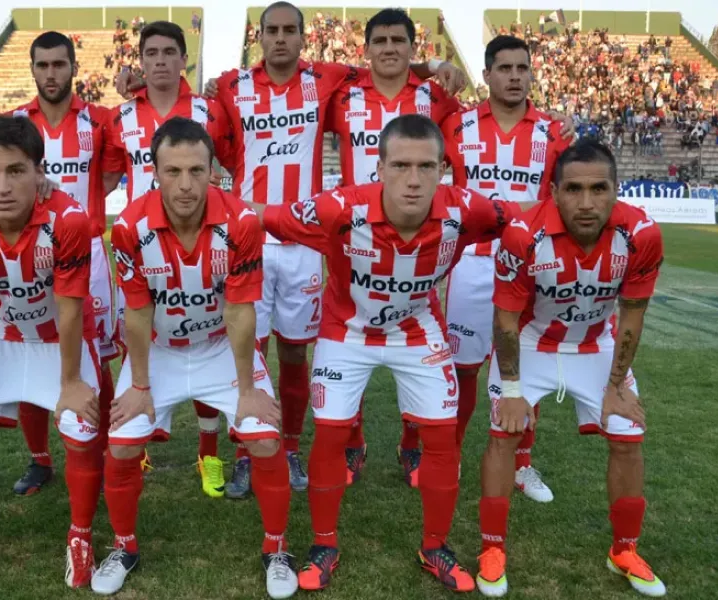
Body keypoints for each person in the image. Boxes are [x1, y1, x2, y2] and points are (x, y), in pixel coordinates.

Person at [254, 114, 526, 593]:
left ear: (445, 169)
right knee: (331, 436)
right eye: (400, 165)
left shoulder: (466, 210)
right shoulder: (337, 209)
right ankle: (324, 544)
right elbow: (256, 216)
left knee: (441, 440)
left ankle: (435, 546)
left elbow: (526, 216)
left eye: (427, 167)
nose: (414, 179)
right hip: (347, 331)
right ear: (378, 167)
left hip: (416, 330)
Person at [208, 1, 469, 498]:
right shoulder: (230, 86)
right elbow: (203, 122)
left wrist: (434, 66)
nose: (281, 38)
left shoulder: (331, 81)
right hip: (251, 237)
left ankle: (288, 446)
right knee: (247, 348)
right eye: (272, 30)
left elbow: (390, 65)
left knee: (296, 352)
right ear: (258, 36)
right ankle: (245, 450)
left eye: (291, 30)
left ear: (305, 38)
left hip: (309, 243)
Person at [92, 117, 296, 599]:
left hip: (220, 349)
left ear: (213, 172)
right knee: (120, 445)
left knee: (265, 440)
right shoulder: (129, 228)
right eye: (173, 171)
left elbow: (241, 310)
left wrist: (247, 390)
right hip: (159, 352)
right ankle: (125, 546)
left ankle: (277, 547)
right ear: (154, 171)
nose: (185, 185)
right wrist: (139, 385)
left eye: (197, 171)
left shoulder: (242, 222)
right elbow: (138, 314)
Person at [476, 140, 666, 598]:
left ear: (616, 190)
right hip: (528, 341)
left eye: (599, 189)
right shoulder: (522, 234)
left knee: (627, 437)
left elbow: (633, 316)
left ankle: (624, 550)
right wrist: (515, 390)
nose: (586, 202)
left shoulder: (641, 233)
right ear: (554, 192)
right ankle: (492, 548)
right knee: (503, 434)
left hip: (597, 343)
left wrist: (616, 385)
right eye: (573, 189)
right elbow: (504, 319)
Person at [0, 116, 103, 589]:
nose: (3, 185)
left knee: (81, 427)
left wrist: (70, 383)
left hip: (57, 340)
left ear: (39, 172)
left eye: (16, 170)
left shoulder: (68, 221)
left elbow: (71, 310)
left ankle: (81, 535)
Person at [325, 8, 462, 487]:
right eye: (379, 40)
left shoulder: (437, 97)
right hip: (354, 240)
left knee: (422, 335)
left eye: (398, 40)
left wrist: (435, 71)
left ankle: (411, 444)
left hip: (419, 237)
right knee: (350, 339)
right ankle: (353, 441)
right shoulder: (342, 94)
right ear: (365, 49)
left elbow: (465, 150)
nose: (388, 48)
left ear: (411, 46)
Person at [104, 20, 237, 498]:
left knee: (204, 340)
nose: (159, 61)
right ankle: (140, 442)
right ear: (140, 61)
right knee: (138, 333)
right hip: (142, 248)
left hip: (201, 242)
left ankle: (208, 453)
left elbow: (232, 163)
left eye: (169, 52)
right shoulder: (118, 118)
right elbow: (106, 176)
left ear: (184, 59)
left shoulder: (209, 111)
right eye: (151, 53)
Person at [440, 35, 571, 502]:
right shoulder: (456, 126)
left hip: (530, 266)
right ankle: (448, 456)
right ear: (487, 74)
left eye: (523, 68)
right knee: (463, 369)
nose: (515, 76)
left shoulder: (555, 133)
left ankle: (522, 464)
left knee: (523, 370)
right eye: (505, 68)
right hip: (471, 265)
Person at [6, 31, 121, 497]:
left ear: (74, 67)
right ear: (32, 69)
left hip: (88, 254)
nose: (51, 73)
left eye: (59, 64)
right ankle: (39, 460)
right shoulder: (15, 124)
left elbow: (111, 175)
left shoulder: (100, 119)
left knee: (99, 356)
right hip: (27, 258)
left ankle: (113, 445)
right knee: (33, 352)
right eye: (42, 65)